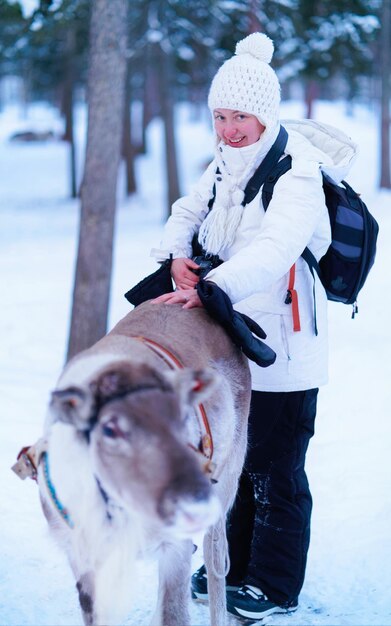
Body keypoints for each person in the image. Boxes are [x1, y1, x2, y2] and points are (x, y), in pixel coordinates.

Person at [151, 32, 357, 622]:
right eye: (220, 115)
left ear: (264, 114)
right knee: (237, 460)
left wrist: (215, 287)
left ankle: (274, 583)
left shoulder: (297, 171)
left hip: (287, 346)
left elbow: (276, 246)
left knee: (278, 470)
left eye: (240, 116)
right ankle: (236, 568)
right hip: (231, 338)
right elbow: (190, 208)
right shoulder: (226, 161)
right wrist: (175, 254)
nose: (230, 127)